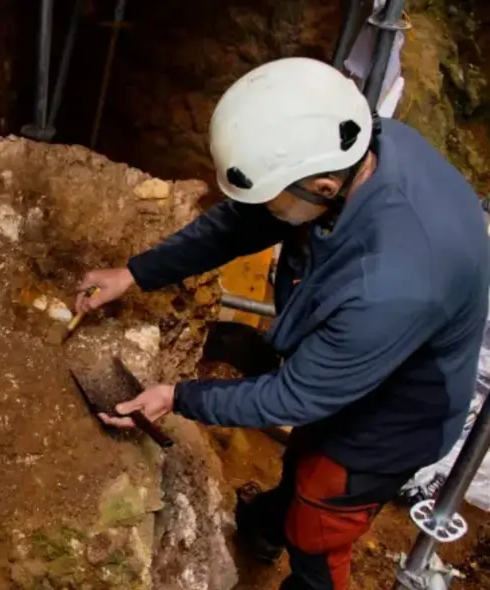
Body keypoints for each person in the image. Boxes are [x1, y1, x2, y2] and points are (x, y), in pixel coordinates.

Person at [75, 57, 490, 590]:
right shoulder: (359, 150)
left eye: (271, 199)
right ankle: (268, 526)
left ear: (322, 187)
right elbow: (240, 224)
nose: (264, 210)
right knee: (302, 466)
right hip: (361, 353)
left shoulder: (393, 283)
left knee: (321, 517)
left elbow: (295, 397)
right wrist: (135, 273)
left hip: (395, 417)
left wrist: (177, 397)